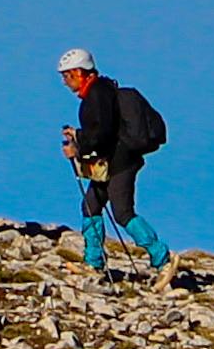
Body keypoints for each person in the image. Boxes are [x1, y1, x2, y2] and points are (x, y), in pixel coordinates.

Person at [56, 49, 173, 281]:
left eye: (67, 76)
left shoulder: (96, 95)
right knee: (91, 205)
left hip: (118, 163)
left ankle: (163, 259)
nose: (65, 82)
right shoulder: (102, 91)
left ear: (80, 72)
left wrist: (77, 143)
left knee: (122, 212)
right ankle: (93, 262)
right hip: (113, 161)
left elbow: (102, 133)